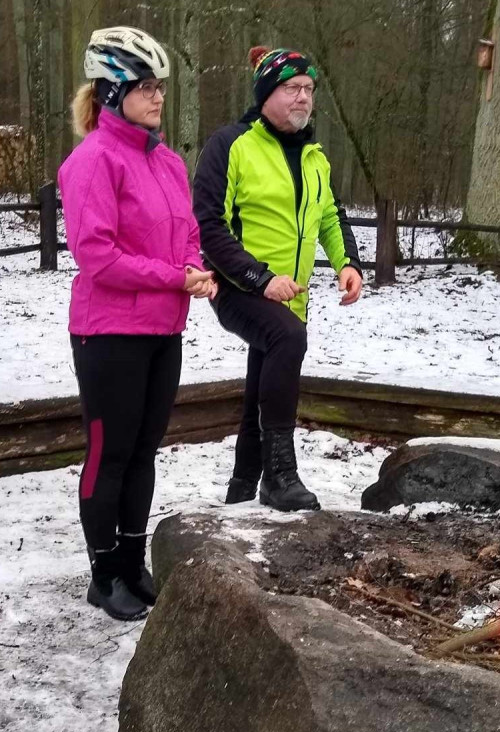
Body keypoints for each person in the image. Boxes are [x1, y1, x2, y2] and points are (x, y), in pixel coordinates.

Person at [59, 26, 216, 621]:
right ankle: (104, 574)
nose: (157, 98)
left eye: (160, 88)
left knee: (145, 450)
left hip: (161, 330)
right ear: (111, 92)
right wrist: (174, 277)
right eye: (146, 88)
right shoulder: (92, 161)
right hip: (108, 334)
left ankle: (132, 562)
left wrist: (196, 266)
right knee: (110, 453)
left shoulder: (169, 161)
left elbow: (188, 233)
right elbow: (96, 256)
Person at [193, 47, 363, 513]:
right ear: (267, 92)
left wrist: (348, 262)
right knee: (287, 338)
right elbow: (208, 227)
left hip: (292, 295)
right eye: (292, 88)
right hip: (238, 286)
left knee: (262, 381)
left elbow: (330, 214)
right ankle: (280, 476)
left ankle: (243, 486)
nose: (303, 97)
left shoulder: (315, 157)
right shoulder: (232, 145)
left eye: (309, 89)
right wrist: (260, 278)